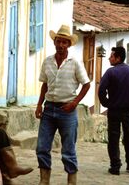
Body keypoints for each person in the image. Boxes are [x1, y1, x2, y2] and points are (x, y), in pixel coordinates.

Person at [35, 25, 90, 185]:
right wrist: (39, 105)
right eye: (59, 41)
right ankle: (44, 180)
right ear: (55, 43)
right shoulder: (47, 62)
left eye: (64, 42)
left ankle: (71, 181)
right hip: (49, 109)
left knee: (68, 150)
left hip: (67, 110)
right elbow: (44, 85)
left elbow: (86, 84)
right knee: (42, 147)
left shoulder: (75, 63)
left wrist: (74, 103)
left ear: (69, 45)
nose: (61, 45)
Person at [99, 46, 129, 175]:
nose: (109, 58)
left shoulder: (110, 72)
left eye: (111, 56)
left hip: (114, 111)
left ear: (118, 58)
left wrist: (107, 103)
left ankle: (115, 166)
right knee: (128, 138)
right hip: (128, 111)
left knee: (113, 139)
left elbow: (101, 91)